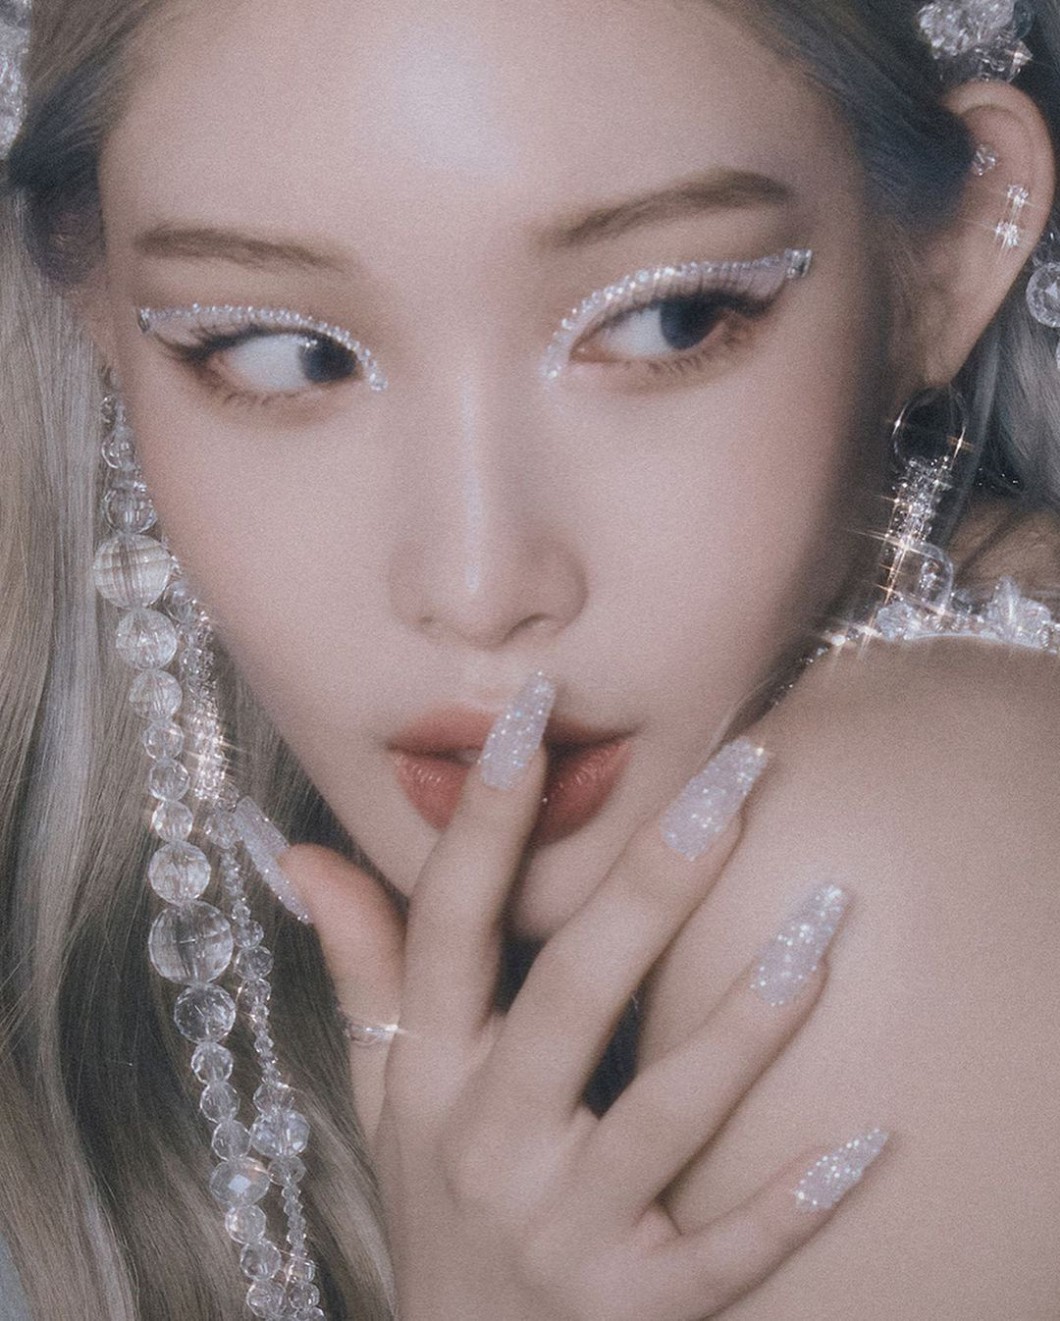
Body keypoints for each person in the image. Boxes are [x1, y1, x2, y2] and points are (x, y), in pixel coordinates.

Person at [3, 0, 1060, 1315]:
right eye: (286, 352)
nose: (478, 588)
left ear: (943, 262)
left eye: (670, 320)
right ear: (98, 314)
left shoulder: (906, 860)